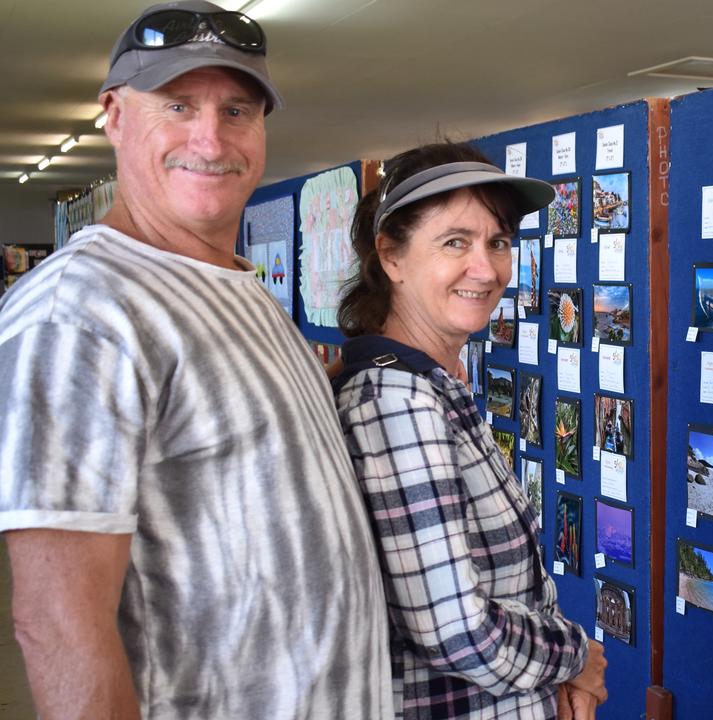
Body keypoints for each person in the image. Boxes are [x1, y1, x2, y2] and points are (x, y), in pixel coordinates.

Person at [0, 3, 391, 717]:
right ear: (115, 116)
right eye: (178, 104)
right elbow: (58, 625)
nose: (211, 139)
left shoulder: (244, 289)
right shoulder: (83, 310)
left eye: (236, 109)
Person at [333, 142, 607, 720]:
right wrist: (576, 657)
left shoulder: (428, 383)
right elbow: (459, 633)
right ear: (391, 256)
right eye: (455, 242)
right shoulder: (396, 401)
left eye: (498, 242)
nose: (485, 269)